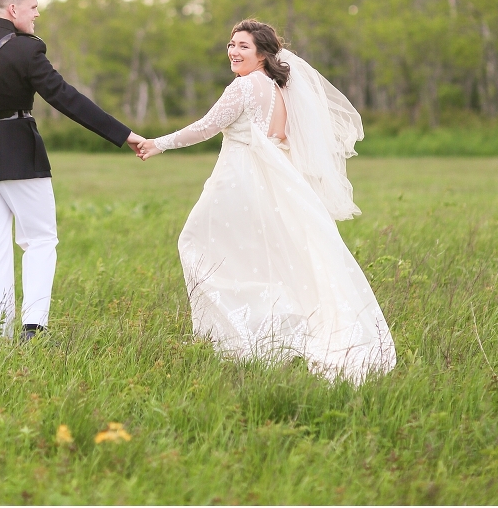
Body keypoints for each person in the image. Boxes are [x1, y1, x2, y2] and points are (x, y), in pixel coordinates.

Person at [137, 19, 396, 383]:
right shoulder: (280, 88)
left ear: (262, 53)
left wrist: (157, 143)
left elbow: (206, 127)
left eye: (243, 46)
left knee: (199, 243)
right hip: (274, 179)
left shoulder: (243, 87)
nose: (233, 51)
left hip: (241, 178)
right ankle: (270, 333)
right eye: (231, 44)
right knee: (267, 257)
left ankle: (238, 338)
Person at [0, 0, 145, 341]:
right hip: (18, 153)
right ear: (14, 9)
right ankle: (34, 327)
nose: (37, 14)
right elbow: (65, 98)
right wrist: (124, 134)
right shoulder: (27, 49)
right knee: (40, 240)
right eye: (33, 8)